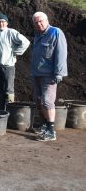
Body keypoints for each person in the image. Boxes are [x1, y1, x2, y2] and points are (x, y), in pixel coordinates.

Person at [31, 12, 67, 142]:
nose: (39, 24)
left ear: (47, 20)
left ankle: (51, 132)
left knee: (47, 101)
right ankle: (46, 126)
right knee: (39, 101)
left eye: (41, 21)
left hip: (49, 74)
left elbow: (61, 53)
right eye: (36, 22)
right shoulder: (37, 35)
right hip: (37, 74)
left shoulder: (56, 33)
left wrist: (59, 73)